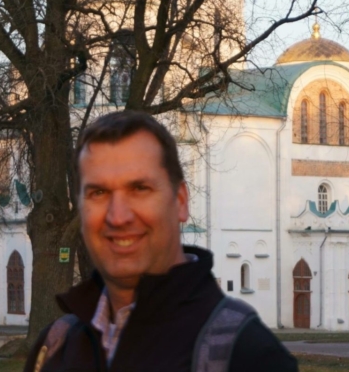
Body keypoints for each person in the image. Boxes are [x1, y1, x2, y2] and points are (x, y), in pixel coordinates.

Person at [24, 111, 298, 372]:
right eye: (98, 192)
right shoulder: (58, 345)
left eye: (140, 189)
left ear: (180, 201)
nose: (118, 216)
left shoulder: (247, 354)